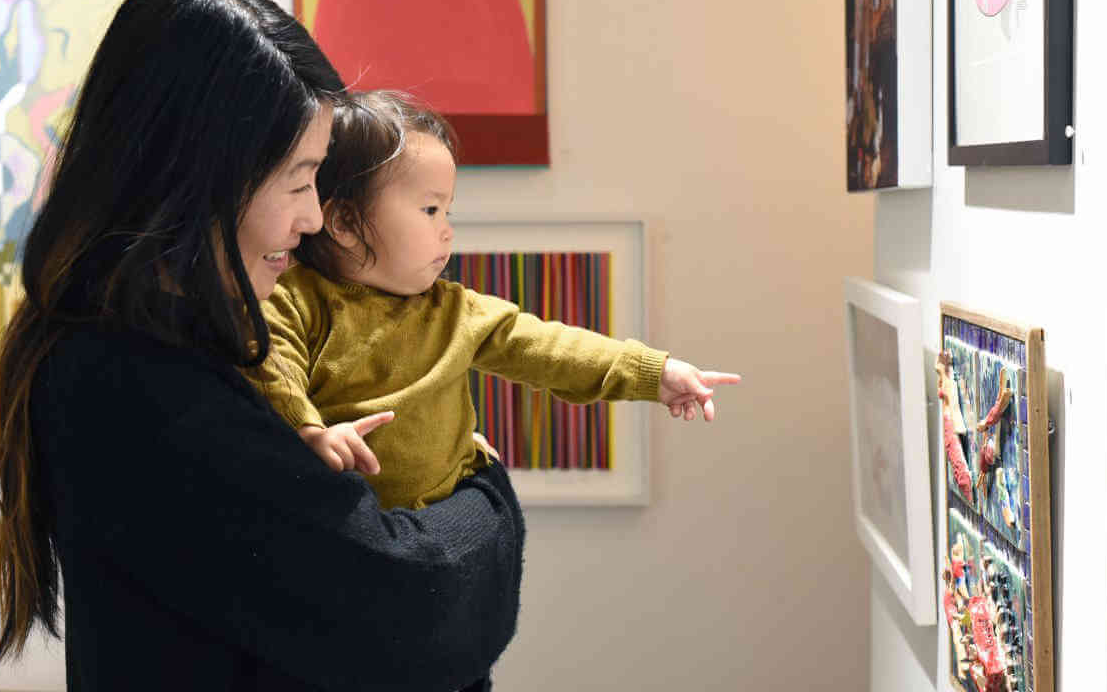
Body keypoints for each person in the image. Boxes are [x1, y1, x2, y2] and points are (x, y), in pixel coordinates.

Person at [0, 0, 524, 691]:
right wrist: (486, 492)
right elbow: (408, 610)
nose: (310, 220)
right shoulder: (135, 384)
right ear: (202, 177)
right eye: (299, 180)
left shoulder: (168, 352)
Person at [247, 90, 741, 511]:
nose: (447, 230)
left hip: (449, 512)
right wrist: (312, 432)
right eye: (429, 209)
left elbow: (553, 349)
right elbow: (274, 367)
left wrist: (655, 373)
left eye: (448, 210)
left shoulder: (455, 311)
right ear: (347, 224)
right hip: (347, 523)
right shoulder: (294, 299)